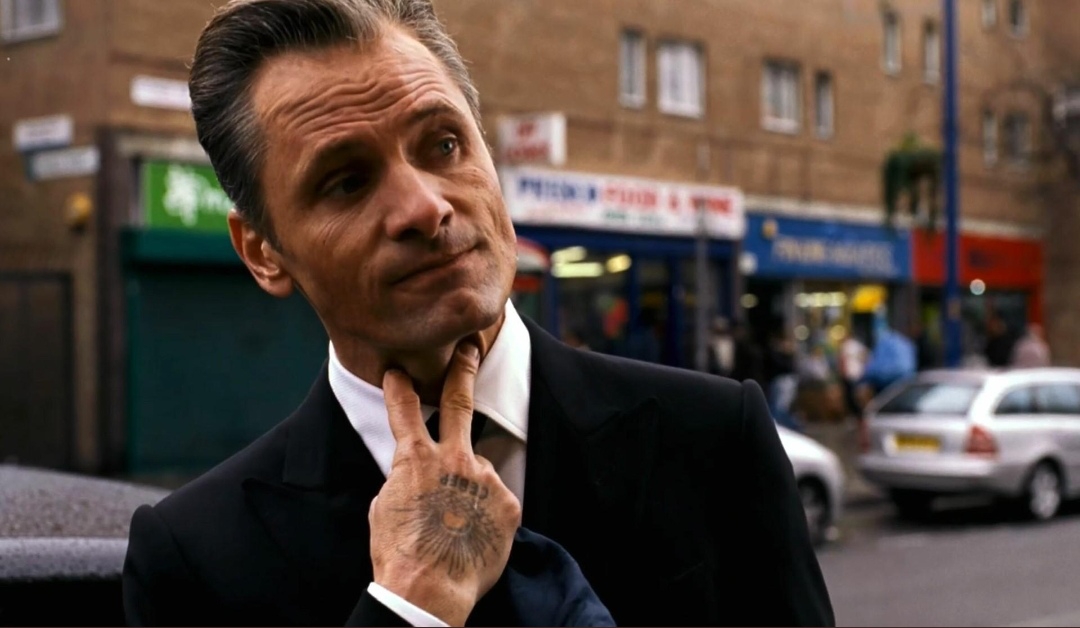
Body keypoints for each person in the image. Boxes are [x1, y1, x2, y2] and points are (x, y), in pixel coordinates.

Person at [122, 1, 834, 625]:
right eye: (346, 182)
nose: (425, 206)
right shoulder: (196, 555)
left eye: (444, 144)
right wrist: (407, 610)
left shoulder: (715, 441)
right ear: (262, 252)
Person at [837, 330, 868, 418]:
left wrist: (842, 373)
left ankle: (857, 415)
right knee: (858, 396)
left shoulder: (845, 346)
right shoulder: (858, 345)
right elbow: (865, 357)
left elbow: (842, 361)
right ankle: (861, 415)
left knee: (850, 397)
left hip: (849, 375)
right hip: (859, 374)